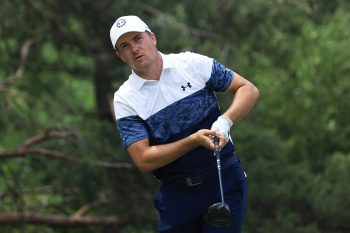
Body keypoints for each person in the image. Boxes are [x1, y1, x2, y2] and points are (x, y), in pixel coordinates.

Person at [110, 15, 259, 233]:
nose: (134, 48)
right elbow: (143, 159)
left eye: (137, 39)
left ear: (152, 38)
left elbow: (248, 89)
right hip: (177, 194)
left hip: (222, 179)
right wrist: (192, 141)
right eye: (125, 45)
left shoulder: (191, 64)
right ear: (120, 56)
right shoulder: (125, 98)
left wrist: (226, 120)